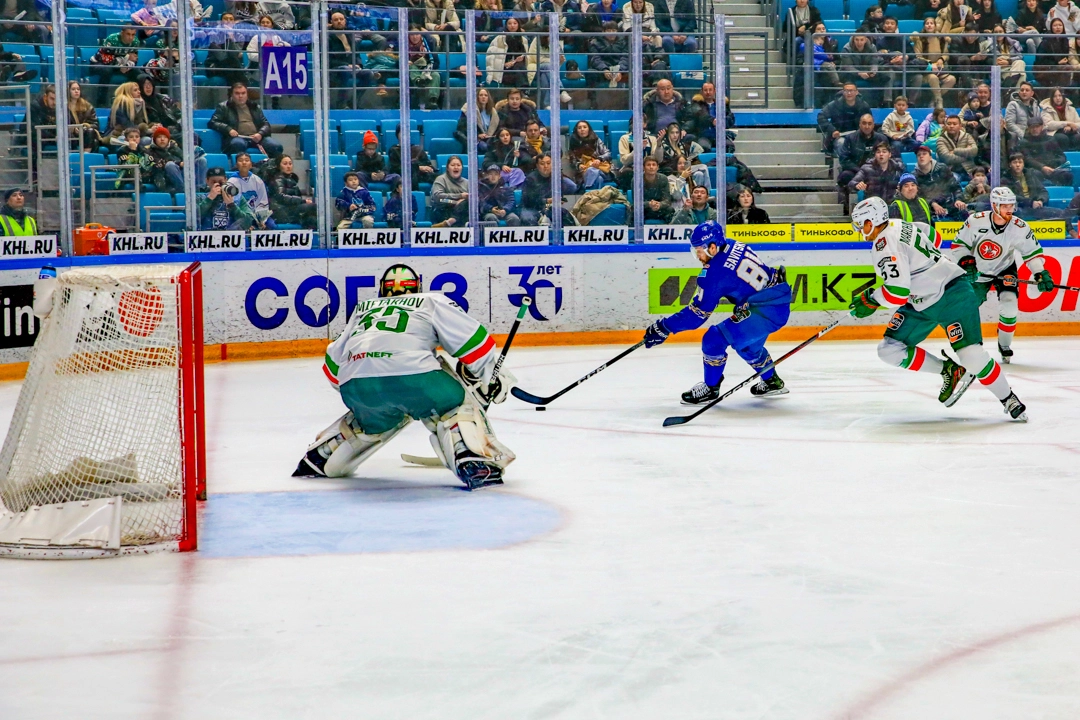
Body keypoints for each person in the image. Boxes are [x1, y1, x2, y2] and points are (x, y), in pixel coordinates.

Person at [293, 264, 515, 489]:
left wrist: (366, 397)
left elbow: (333, 369)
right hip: (417, 380)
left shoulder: (363, 308)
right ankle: (471, 457)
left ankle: (322, 454)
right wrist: (491, 378)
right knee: (451, 402)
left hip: (356, 386)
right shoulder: (430, 300)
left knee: (376, 415)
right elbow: (476, 345)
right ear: (416, 287)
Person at [847, 196, 1028, 420]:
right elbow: (933, 235)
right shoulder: (898, 224)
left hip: (952, 294)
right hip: (922, 301)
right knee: (889, 349)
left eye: (859, 224)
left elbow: (897, 292)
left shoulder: (883, 245)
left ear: (870, 222)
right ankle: (949, 370)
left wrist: (870, 300)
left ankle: (1008, 398)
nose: (858, 229)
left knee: (971, 356)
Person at [644, 221, 792, 403]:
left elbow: (697, 316)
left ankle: (710, 388)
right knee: (748, 347)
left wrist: (664, 327)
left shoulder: (713, 274)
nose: (697, 256)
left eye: (699, 250)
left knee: (713, 339)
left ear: (712, 247)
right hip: (777, 299)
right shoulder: (732, 243)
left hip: (763, 311)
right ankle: (772, 382)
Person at [951, 187, 1055, 364]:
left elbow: (1032, 254)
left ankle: (1004, 345)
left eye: (1011, 205)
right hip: (977, 270)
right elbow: (959, 245)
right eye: (1004, 205)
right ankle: (970, 347)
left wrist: (1040, 273)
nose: (1009, 209)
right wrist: (966, 262)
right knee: (968, 309)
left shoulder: (1020, 227)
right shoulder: (975, 221)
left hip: (1004, 269)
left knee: (1010, 305)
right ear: (994, 205)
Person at [208, 82, 283, 158]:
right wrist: (228, 129)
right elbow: (213, 122)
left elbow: (266, 124)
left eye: (243, 93)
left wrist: (260, 133)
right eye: (237, 93)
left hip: (256, 137)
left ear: (247, 94)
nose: (240, 96)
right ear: (231, 94)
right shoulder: (223, 107)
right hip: (237, 138)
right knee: (238, 144)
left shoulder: (255, 107)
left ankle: (272, 168)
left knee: (276, 146)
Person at [836, 113, 888, 194]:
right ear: (859, 124)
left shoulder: (882, 138)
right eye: (864, 123)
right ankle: (846, 203)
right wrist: (861, 170)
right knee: (844, 175)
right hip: (855, 171)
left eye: (869, 124)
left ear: (873, 125)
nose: (867, 126)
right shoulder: (850, 138)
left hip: (876, 172)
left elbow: (890, 157)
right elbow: (844, 160)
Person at [910, 17, 955, 109]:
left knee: (952, 79)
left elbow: (946, 54)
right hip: (926, 69)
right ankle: (939, 102)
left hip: (939, 68)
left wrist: (941, 59)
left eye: (931, 23)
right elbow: (918, 56)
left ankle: (934, 99)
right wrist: (930, 64)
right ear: (924, 26)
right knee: (933, 78)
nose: (929, 25)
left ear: (935, 26)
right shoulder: (920, 39)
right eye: (927, 23)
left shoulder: (942, 38)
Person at [521, 154, 576, 226]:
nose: (546, 166)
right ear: (537, 165)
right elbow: (527, 200)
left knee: (565, 217)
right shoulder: (530, 179)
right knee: (528, 218)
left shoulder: (557, 177)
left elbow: (562, 193)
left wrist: (560, 200)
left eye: (548, 163)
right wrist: (546, 200)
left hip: (551, 207)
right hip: (532, 208)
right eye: (542, 164)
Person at [912, 144, 965, 219]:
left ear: (930, 157)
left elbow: (955, 187)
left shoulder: (942, 169)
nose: (921, 156)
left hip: (948, 205)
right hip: (928, 209)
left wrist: (958, 200)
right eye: (918, 155)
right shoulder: (914, 176)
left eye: (924, 154)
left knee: (964, 211)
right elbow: (917, 196)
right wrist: (932, 204)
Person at [817, 83, 872, 155]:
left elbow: (870, 121)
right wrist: (832, 130)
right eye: (846, 91)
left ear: (856, 92)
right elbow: (821, 116)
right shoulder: (834, 105)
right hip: (839, 136)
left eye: (851, 91)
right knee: (841, 143)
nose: (849, 93)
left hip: (859, 136)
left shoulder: (864, 106)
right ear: (843, 92)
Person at [1018, 116, 1072, 186]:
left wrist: (1056, 163)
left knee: (1067, 175)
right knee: (1036, 174)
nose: (1034, 129)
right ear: (1028, 128)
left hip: (1052, 168)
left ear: (1042, 126)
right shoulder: (1024, 142)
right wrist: (1042, 167)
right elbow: (1028, 159)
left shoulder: (1050, 139)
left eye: (1037, 126)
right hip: (1036, 169)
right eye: (1032, 127)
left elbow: (1061, 155)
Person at [197, 166, 254, 230]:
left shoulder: (238, 198)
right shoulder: (200, 198)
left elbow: (248, 222)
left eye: (221, 182)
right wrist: (209, 199)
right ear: (207, 181)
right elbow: (194, 218)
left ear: (226, 180)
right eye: (214, 182)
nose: (217, 185)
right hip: (206, 236)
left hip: (232, 236)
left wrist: (232, 205)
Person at [267, 155, 316, 229]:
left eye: (290, 163)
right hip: (282, 211)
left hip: (291, 209)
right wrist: (303, 201)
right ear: (279, 166)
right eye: (285, 164)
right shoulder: (278, 179)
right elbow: (281, 196)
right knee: (312, 206)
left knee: (312, 220)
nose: (288, 166)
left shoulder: (291, 180)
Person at [228, 151, 274, 229]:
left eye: (247, 160)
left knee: (271, 226)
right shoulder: (231, 182)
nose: (244, 162)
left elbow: (263, 201)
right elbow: (233, 205)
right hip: (241, 216)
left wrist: (261, 220)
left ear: (251, 164)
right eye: (240, 160)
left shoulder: (258, 180)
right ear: (236, 165)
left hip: (256, 215)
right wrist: (246, 222)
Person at [567, 120, 613, 191]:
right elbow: (572, 160)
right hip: (584, 172)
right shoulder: (573, 143)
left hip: (601, 169)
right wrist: (579, 165)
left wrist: (599, 159)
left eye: (584, 127)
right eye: (579, 128)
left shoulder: (596, 140)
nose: (582, 129)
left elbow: (608, 154)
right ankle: (594, 197)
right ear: (576, 131)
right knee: (599, 179)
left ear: (589, 129)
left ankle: (588, 191)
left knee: (591, 170)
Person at [839, 34, 884, 107]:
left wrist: (873, 71)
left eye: (861, 40)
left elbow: (874, 62)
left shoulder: (872, 47)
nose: (859, 42)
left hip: (866, 72)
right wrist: (859, 73)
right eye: (857, 40)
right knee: (847, 77)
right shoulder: (846, 48)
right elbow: (848, 67)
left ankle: (878, 104)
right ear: (853, 39)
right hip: (849, 73)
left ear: (866, 40)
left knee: (883, 77)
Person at [1033, 18, 1077, 90]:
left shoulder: (1065, 40)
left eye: (1060, 25)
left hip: (1059, 68)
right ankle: (1060, 93)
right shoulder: (1046, 41)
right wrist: (1057, 63)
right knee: (1066, 68)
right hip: (1045, 70)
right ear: (1051, 28)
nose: (1058, 27)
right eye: (1055, 25)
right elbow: (1040, 60)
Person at [453, 88, 499, 154]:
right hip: (474, 138)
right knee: (484, 147)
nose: (483, 97)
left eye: (486, 95)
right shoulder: (468, 109)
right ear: (477, 97)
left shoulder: (493, 112)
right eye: (481, 95)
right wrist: (477, 135)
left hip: (489, 138)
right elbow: (461, 127)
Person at [430, 155, 470, 227]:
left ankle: (450, 221)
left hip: (463, 213)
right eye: (453, 165)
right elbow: (438, 198)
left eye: (458, 165)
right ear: (448, 168)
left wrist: (461, 204)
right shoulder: (441, 179)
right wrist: (457, 199)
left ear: (462, 168)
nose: (456, 167)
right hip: (444, 210)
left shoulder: (467, 183)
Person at [478, 161, 521, 226]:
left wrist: (505, 210)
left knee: (514, 218)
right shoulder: (482, 187)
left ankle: (514, 236)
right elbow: (481, 202)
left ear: (499, 176)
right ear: (487, 175)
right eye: (491, 174)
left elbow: (511, 201)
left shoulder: (506, 187)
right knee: (490, 218)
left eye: (496, 174)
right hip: (489, 212)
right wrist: (491, 209)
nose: (493, 176)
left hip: (505, 212)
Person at [144, 126, 184, 192]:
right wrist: (179, 163)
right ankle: (183, 190)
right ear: (154, 139)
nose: (162, 139)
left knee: (201, 161)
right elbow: (157, 164)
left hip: (181, 174)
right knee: (170, 165)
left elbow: (184, 158)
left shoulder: (174, 148)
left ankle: (199, 189)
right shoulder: (149, 151)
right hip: (164, 178)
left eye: (165, 137)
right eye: (159, 137)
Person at [1040, 87, 1080, 151]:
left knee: (1078, 137)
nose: (1058, 98)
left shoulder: (1072, 109)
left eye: (1060, 95)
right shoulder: (1046, 110)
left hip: (1071, 132)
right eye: (1055, 96)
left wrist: (1071, 126)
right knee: (1062, 138)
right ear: (1051, 98)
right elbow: (1048, 124)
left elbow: (1078, 123)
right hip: (1054, 133)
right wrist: (1067, 123)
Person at [1005, 82, 1041, 146]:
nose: (1024, 92)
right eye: (1022, 90)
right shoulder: (1013, 104)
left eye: (1027, 90)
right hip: (1019, 136)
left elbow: (1039, 124)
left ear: (1032, 93)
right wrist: (1023, 135)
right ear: (1019, 93)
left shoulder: (1036, 107)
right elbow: (1009, 124)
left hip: (1033, 135)